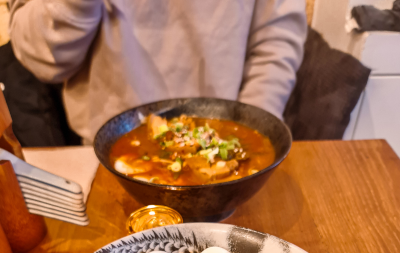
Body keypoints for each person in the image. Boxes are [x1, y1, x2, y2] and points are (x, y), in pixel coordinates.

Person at [9, 0, 307, 144]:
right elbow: (41, 61)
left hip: (227, 145)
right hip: (103, 156)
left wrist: (251, 132)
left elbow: (276, 39)